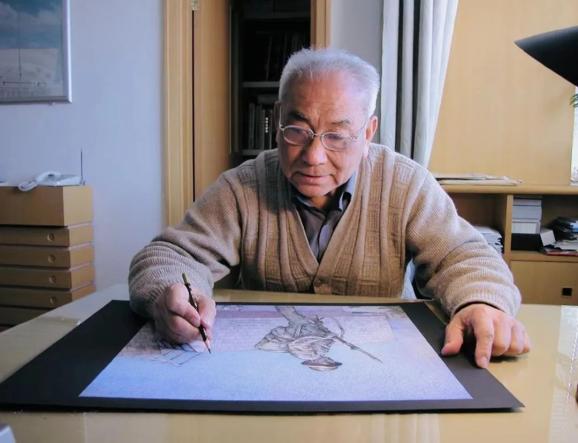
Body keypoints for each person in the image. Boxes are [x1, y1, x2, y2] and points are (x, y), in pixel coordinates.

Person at [129, 48, 530, 369]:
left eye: (337, 135)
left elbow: (464, 255)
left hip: (380, 374)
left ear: (368, 132)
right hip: (270, 374)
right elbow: (169, 255)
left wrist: (480, 303)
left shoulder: (404, 184)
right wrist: (172, 291)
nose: (314, 156)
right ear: (277, 120)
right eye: (297, 130)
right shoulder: (243, 187)